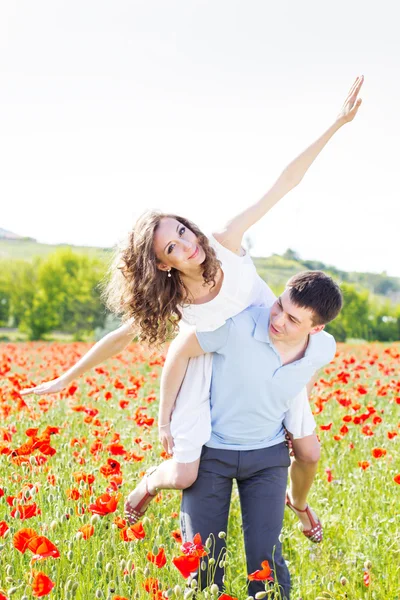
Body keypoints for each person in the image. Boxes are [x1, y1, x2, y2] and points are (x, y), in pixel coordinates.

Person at [20, 76, 363, 539]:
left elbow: (283, 184)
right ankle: (146, 483)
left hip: (276, 345)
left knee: (308, 450)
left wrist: (336, 124)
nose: (186, 244)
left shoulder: (225, 240)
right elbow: (118, 340)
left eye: (181, 230)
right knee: (184, 475)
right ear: (162, 265)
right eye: (172, 247)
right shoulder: (175, 301)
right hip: (211, 370)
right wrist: (66, 379)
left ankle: (298, 504)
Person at [172, 271, 342, 599]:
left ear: (316, 328)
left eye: (293, 319)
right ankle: (150, 483)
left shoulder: (324, 347)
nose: (278, 319)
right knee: (202, 565)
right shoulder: (238, 327)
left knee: (266, 561)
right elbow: (180, 349)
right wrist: (166, 423)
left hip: (267, 456)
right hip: (211, 454)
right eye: (279, 305)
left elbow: (307, 371)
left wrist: (293, 409)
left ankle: (300, 504)